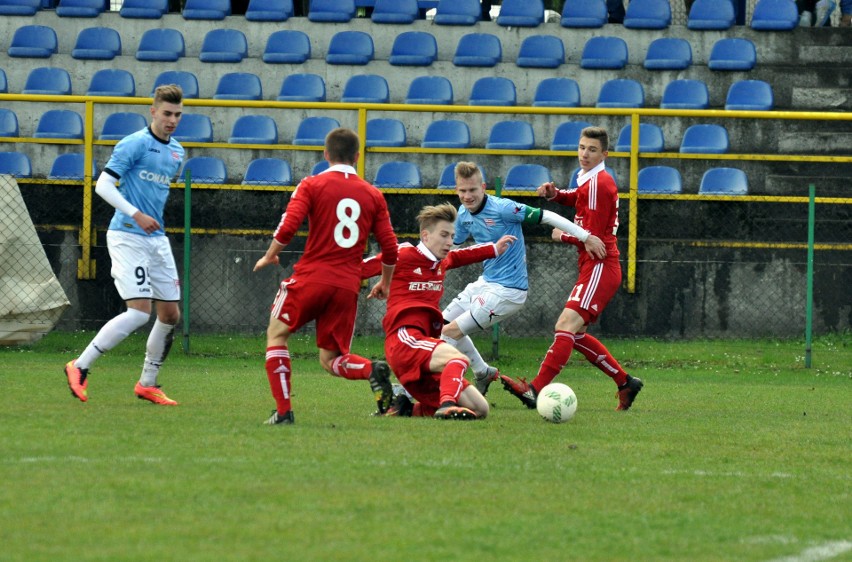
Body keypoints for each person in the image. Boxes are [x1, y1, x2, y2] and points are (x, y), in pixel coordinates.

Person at [253, 128, 399, 425]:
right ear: (358, 158)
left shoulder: (311, 184)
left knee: (277, 335)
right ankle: (370, 369)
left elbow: (288, 225)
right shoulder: (373, 194)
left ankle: (283, 412)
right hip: (346, 286)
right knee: (330, 359)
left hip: (311, 277)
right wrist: (385, 281)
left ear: (325, 155)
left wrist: (270, 254)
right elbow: (390, 247)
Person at [499, 127, 644, 411]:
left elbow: (592, 236)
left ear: (605, 154)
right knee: (574, 334)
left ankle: (535, 389)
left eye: (591, 149)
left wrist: (561, 234)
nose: (584, 154)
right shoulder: (589, 180)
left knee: (564, 326)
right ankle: (625, 382)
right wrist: (556, 196)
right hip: (594, 265)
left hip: (600, 265)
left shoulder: (599, 183)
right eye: (581, 148)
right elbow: (579, 198)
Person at [63, 84, 186, 406]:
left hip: (155, 239)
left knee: (171, 314)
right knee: (139, 312)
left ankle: (148, 383)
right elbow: (103, 184)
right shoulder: (134, 144)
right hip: (126, 235)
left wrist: (149, 218)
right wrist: (136, 213)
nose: (172, 120)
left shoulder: (177, 151)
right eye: (167, 113)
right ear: (153, 111)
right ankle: (80, 365)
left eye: (177, 115)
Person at [440, 162, 606, 396]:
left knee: (450, 333)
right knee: (439, 327)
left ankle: (426, 388)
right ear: (456, 190)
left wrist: (585, 236)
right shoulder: (464, 215)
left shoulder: (503, 208)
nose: (467, 196)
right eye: (462, 191)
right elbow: (448, 252)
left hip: (508, 291)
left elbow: (546, 215)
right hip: (484, 284)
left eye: (472, 190)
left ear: (483, 187)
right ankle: (482, 371)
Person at [361, 203, 516, 420]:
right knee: (458, 359)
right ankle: (447, 405)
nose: (450, 242)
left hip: (425, 346)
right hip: (404, 339)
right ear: (425, 235)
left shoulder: (442, 262)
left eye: (452, 236)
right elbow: (360, 268)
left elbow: (462, 255)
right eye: (444, 235)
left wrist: (493, 249)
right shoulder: (403, 254)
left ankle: (404, 409)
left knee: (480, 409)